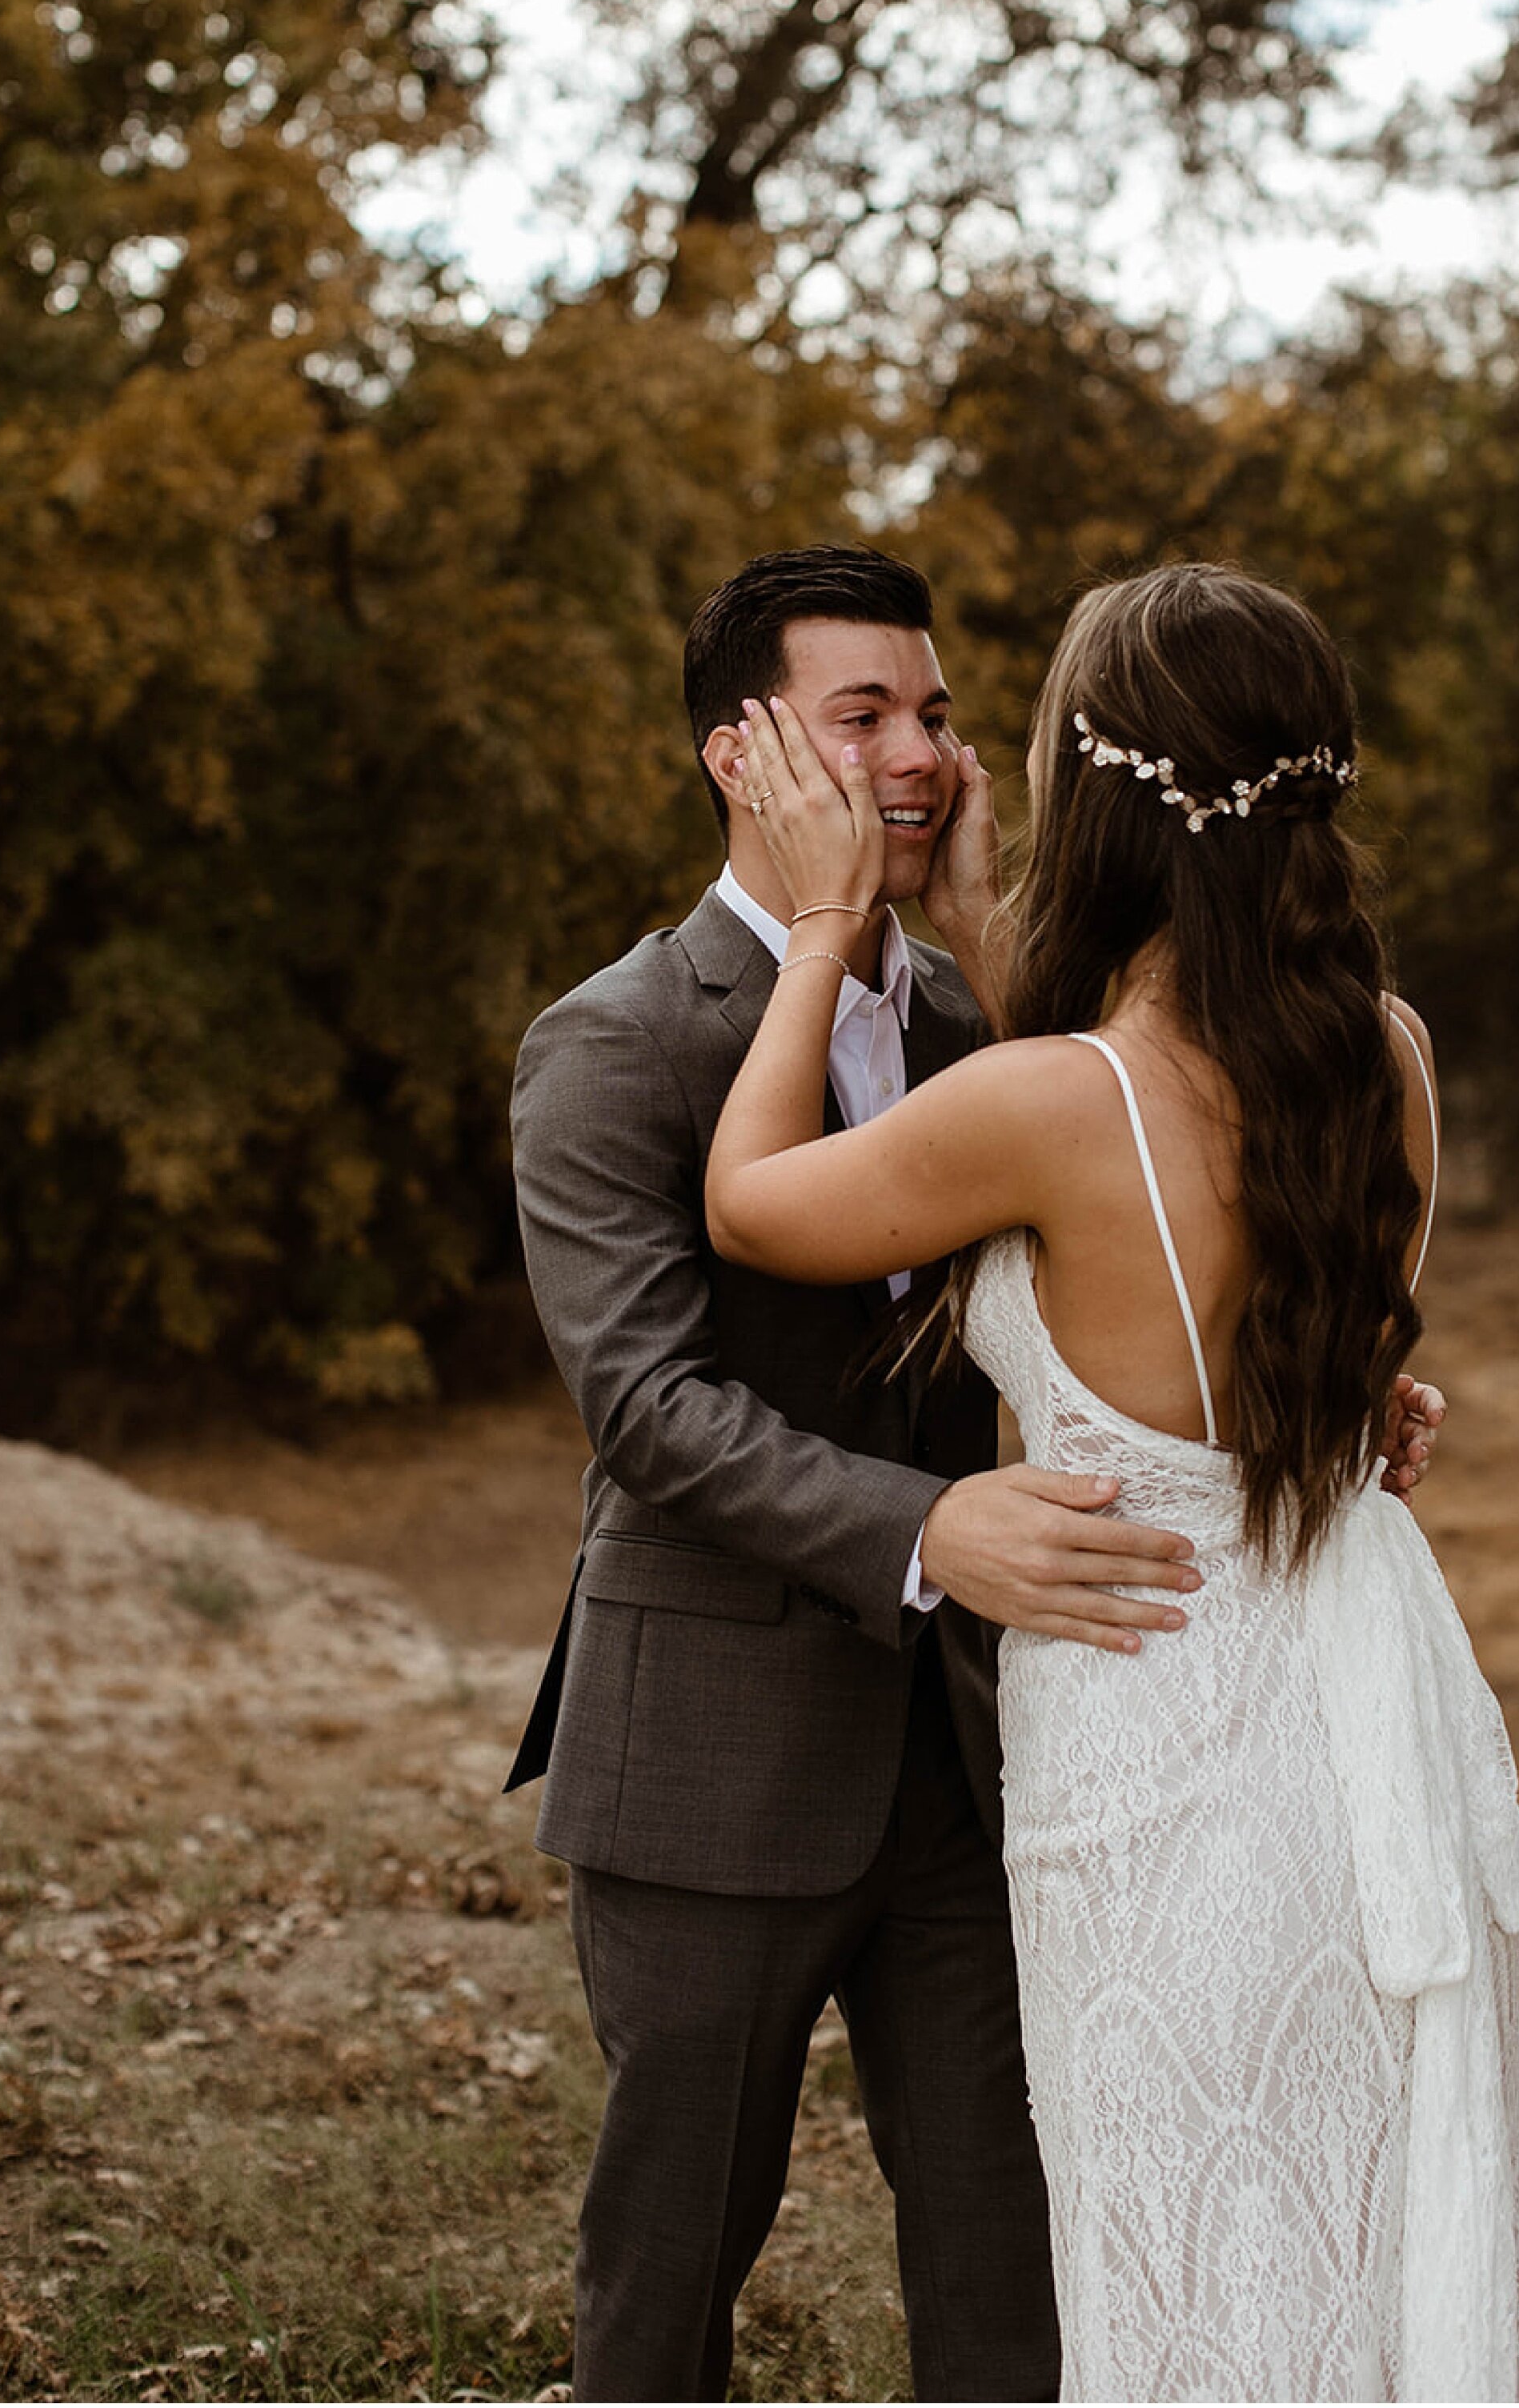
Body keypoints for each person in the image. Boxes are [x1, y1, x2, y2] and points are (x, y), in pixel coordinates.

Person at [507, 545, 1442, 2405]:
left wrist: (1331, 1386)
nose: (918, 752)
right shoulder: (610, 1042)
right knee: (667, 2284)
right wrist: (923, 1527)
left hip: (979, 1768)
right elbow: (648, 1406)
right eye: (859, 716)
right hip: (711, 1760)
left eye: (934, 711)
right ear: (737, 755)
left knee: (1026, 2295)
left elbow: (1170, 1222)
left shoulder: (987, 1029)